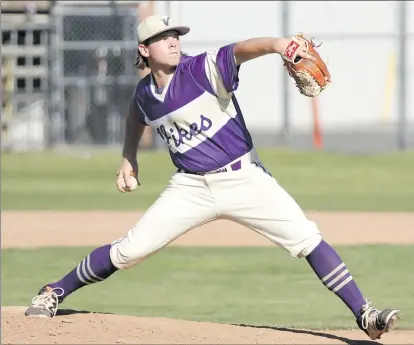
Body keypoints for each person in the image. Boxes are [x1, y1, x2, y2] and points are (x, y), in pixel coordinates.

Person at [25, 15, 400, 341]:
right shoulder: (145, 94)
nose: (173, 41)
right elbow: (135, 116)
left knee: (307, 238)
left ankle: (365, 314)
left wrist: (279, 45)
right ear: (144, 49)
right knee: (129, 251)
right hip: (189, 187)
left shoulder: (202, 68)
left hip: (244, 179)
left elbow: (242, 49)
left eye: (175, 36)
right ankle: (53, 290)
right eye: (162, 38)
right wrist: (129, 158)